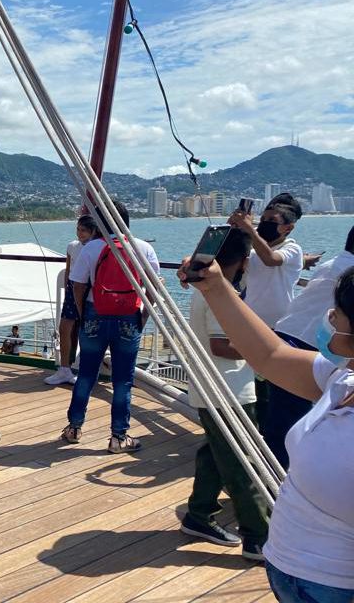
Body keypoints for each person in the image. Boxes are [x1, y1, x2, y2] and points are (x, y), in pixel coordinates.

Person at [178, 256, 354, 601]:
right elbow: (269, 355)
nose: (329, 318)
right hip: (289, 572)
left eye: (337, 313)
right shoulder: (342, 380)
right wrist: (215, 287)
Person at [180, 228, 270, 560]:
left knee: (215, 454)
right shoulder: (220, 293)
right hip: (228, 391)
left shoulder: (208, 288)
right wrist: (264, 348)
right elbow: (222, 345)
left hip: (212, 387)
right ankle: (258, 536)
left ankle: (199, 514)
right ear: (245, 262)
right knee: (243, 463)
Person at [61, 200, 158, 453]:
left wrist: (84, 315)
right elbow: (155, 287)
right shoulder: (143, 248)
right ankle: (118, 437)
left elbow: (78, 285)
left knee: (86, 374)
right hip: (129, 317)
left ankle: (74, 427)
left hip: (95, 314)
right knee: (123, 380)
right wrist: (143, 316)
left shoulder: (92, 248)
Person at [264, 224, 354, 468]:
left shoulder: (332, 264)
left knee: (278, 418)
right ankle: (274, 479)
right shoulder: (348, 274)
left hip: (286, 335)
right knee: (287, 423)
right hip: (302, 343)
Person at [228, 193, 304, 429]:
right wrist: (236, 230)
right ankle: (252, 428)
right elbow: (232, 260)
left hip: (278, 327)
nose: (265, 224)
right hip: (251, 323)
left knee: (273, 385)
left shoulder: (292, 248)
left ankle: (271, 432)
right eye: (264, 219)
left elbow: (271, 259)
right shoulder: (254, 247)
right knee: (249, 381)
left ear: (288, 228)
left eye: (273, 221)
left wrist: (250, 230)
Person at [46, 215, 99, 385]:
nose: (79, 233)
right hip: (73, 289)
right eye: (78, 229)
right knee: (64, 327)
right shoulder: (72, 246)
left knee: (87, 330)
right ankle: (64, 369)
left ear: (92, 231)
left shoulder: (95, 247)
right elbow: (68, 270)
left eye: (83, 230)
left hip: (90, 289)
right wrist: (68, 288)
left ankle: (87, 369)